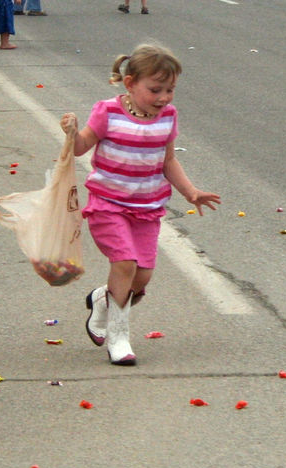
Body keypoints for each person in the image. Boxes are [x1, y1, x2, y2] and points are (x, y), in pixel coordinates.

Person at [60, 44, 220, 366]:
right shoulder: (108, 112)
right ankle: (118, 338)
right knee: (125, 264)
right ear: (130, 83)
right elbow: (81, 148)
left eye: (170, 90)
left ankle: (102, 301)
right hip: (107, 203)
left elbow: (168, 160)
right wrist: (71, 133)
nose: (163, 97)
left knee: (142, 277)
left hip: (147, 208)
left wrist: (191, 192)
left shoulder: (168, 117)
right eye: (155, 89)